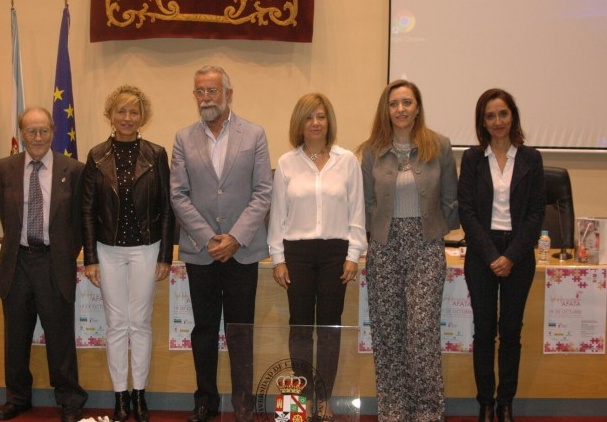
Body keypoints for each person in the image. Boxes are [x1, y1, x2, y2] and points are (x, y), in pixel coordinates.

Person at [170, 65, 272, 422]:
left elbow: (262, 192)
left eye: (212, 91)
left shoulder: (255, 134)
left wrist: (234, 238)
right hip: (202, 253)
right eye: (200, 91)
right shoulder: (183, 138)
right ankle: (205, 401)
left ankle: (243, 402)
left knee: (240, 330)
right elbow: (178, 195)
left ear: (229, 94)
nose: (206, 98)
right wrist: (209, 237)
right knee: (204, 329)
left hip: (242, 251)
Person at [358, 80, 458, 422]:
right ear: (386, 110)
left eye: (407, 102)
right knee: (387, 331)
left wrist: (433, 233)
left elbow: (450, 198)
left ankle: (428, 409)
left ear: (417, 107)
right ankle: (393, 408)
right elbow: (367, 202)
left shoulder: (439, 145)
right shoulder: (372, 149)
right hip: (385, 246)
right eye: (394, 103)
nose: (400, 109)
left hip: (426, 245)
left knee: (422, 329)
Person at [268, 93, 367, 421]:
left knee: (328, 329)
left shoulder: (348, 160)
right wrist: (278, 258)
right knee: (299, 328)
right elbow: (277, 216)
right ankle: (303, 399)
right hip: (297, 253)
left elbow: (357, 213)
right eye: (309, 117)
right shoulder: (286, 163)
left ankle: (324, 399)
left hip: (335, 255)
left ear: (329, 122)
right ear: (300, 123)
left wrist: (353, 254)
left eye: (321, 116)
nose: (315, 123)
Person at [81, 85, 175, 422]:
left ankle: (140, 395)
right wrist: (90, 257)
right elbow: (87, 211)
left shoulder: (157, 154)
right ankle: (120, 396)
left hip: (147, 251)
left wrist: (165, 255)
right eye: (121, 111)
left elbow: (167, 209)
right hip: (107, 250)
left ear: (143, 117)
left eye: (134, 112)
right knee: (117, 325)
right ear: (111, 115)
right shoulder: (95, 156)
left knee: (141, 324)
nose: (127, 118)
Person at [0, 107, 87, 422]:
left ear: (53, 131)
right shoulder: (4, 168)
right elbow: (8, 218)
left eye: (43, 130)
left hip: (53, 263)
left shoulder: (73, 169)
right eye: (31, 131)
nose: (37, 137)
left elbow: (78, 222)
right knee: (16, 338)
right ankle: (18, 398)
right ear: (21, 134)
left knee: (60, 337)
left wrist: (61, 253)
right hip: (17, 262)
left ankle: (70, 401)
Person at [458, 89, 545, 422]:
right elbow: (466, 211)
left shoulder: (531, 159)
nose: (497, 121)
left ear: (513, 116)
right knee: (483, 331)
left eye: (503, 114)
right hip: (482, 251)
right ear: (483, 121)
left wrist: (510, 256)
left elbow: (537, 214)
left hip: (519, 253)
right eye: (490, 115)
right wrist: (493, 254)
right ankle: (484, 403)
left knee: (511, 332)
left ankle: (505, 403)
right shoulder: (471, 158)